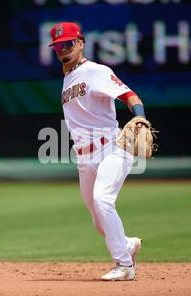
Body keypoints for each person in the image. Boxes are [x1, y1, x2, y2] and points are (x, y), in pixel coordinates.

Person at [49, 22, 148, 281]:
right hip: (84, 157)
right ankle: (127, 245)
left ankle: (125, 265)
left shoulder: (96, 71)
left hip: (111, 148)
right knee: (98, 221)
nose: (63, 49)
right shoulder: (68, 78)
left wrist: (140, 118)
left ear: (80, 43)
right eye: (58, 46)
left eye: (68, 43)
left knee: (103, 200)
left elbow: (131, 95)